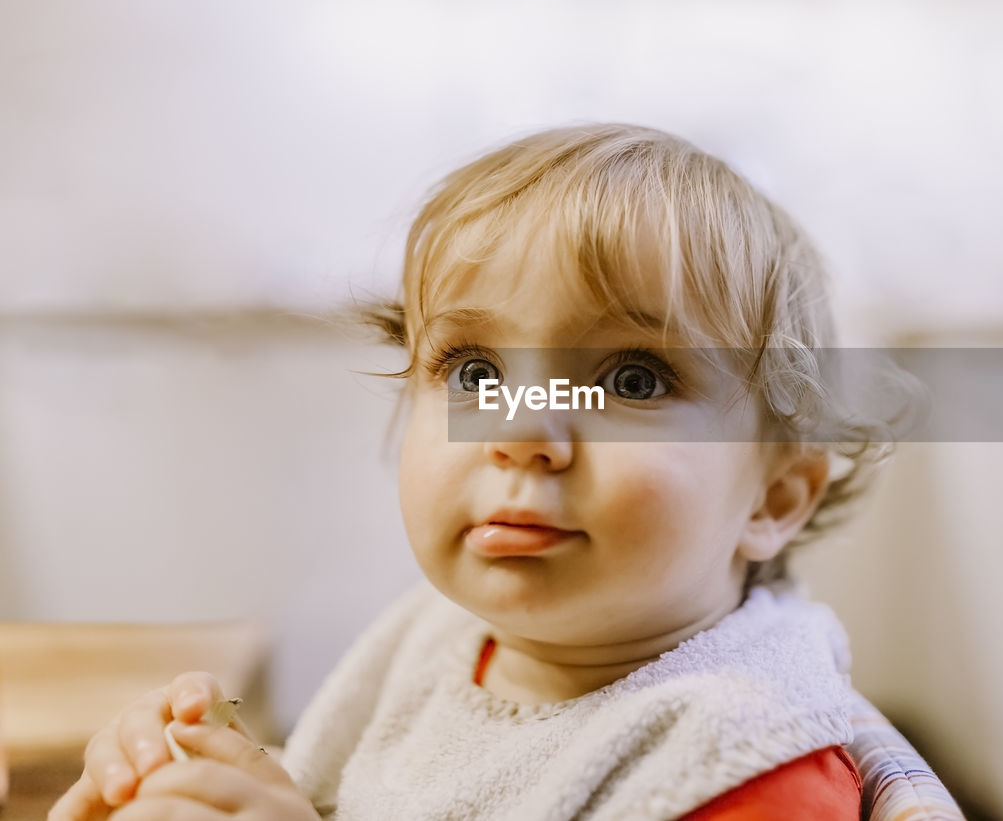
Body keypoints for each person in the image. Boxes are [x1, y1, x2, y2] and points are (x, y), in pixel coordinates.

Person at [49, 123, 926, 820]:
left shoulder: (741, 763)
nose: (520, 431)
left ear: (772, 498)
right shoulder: (441, 642)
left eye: (633, 378)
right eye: (474, 373)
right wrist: (209, 775)